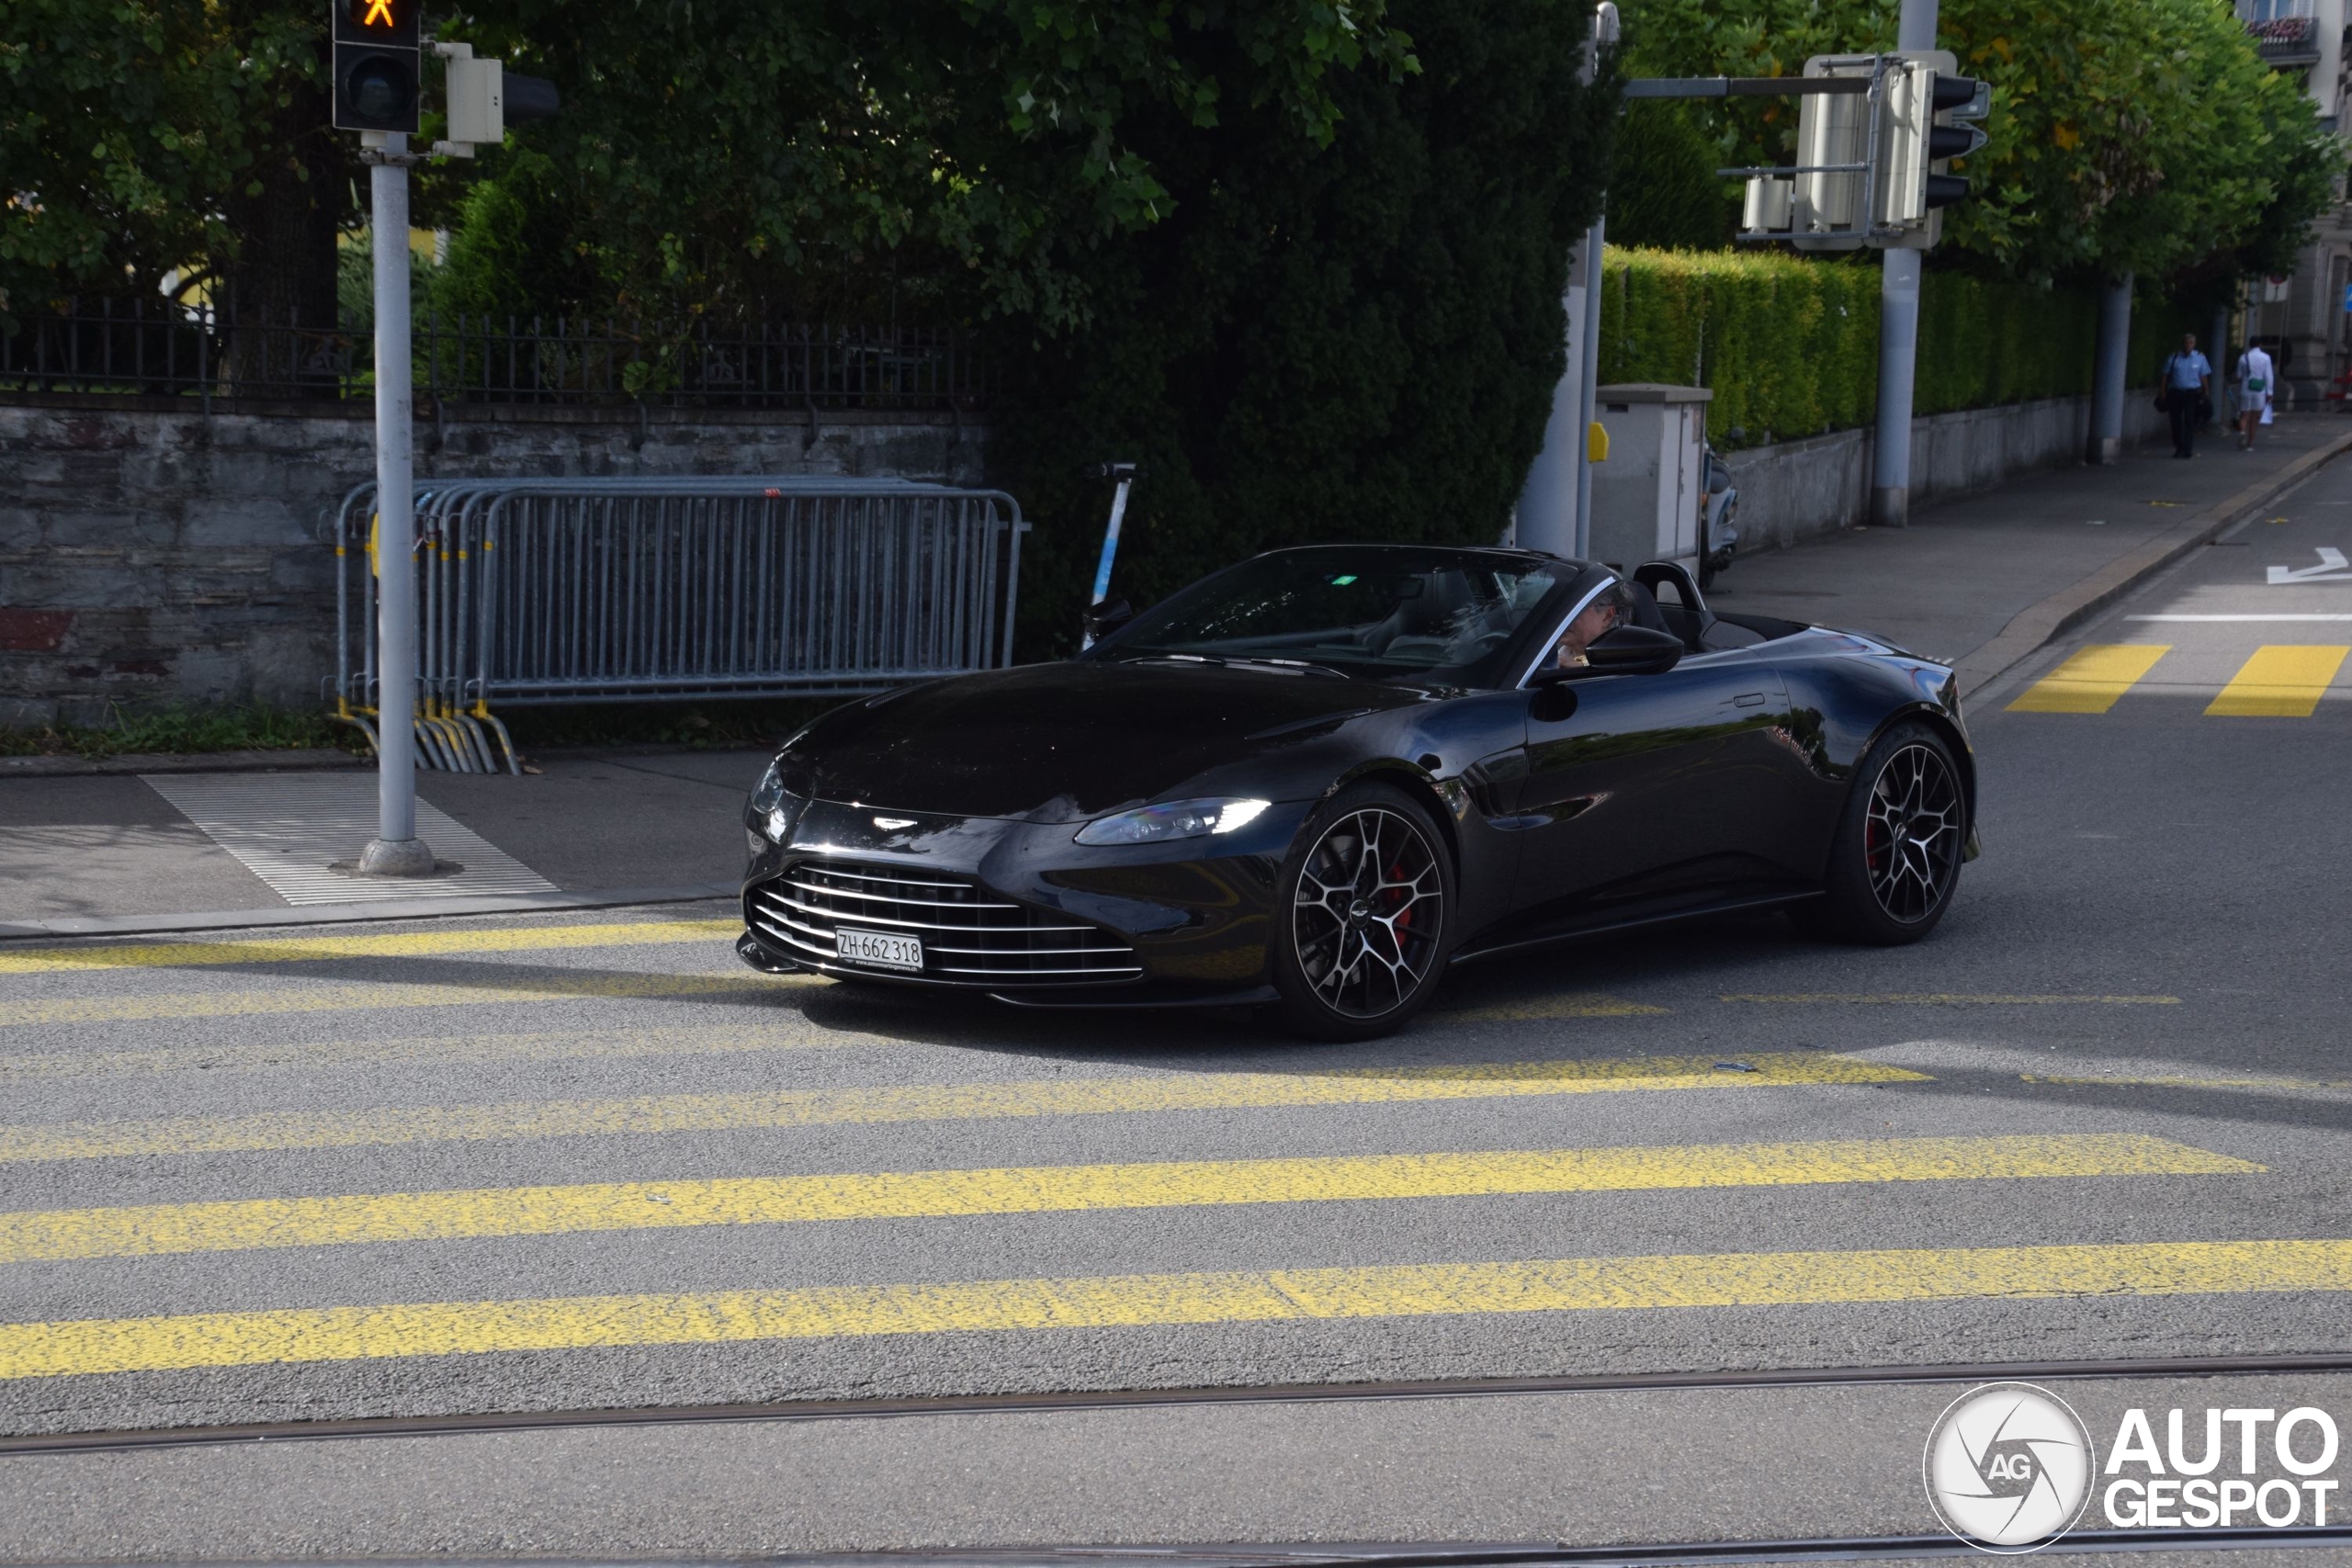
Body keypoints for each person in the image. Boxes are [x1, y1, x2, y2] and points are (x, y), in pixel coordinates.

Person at [1551, 582, 1631, 669]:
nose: (1563, 617)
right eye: (1562, 608)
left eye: (1575, 609)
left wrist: (1578, 664)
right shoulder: (1554, 657)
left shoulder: (1626, 660)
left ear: (1607, 616)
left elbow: (1607, 661)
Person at [2161, 333, 2211, 458]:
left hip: (2192, 393)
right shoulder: (2174, 357)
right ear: (2182, 344)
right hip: (2176, 392)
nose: (2188, 345)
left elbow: (2203, 376)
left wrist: (2206, 391)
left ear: (2194, 344)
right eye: (2186, 343)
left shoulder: (2200, 358)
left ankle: (2188, 449)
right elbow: (2165, 375)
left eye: (2190, 343)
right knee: (2175, 421)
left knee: (2190, 420)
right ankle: (2179, 447)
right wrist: (2162, 391)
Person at [2236, 339, 2277, 450]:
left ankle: (2242, 432)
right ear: (2260, 344)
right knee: (2254, 417)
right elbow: (2268, 376)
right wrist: (2270, 392)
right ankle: (2250, 443)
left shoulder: (2243, 357)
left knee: (2244, 415)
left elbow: (2238, 375)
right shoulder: (2265, 357)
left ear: (2249, 344)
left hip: (2246, 388)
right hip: (2259, 390)